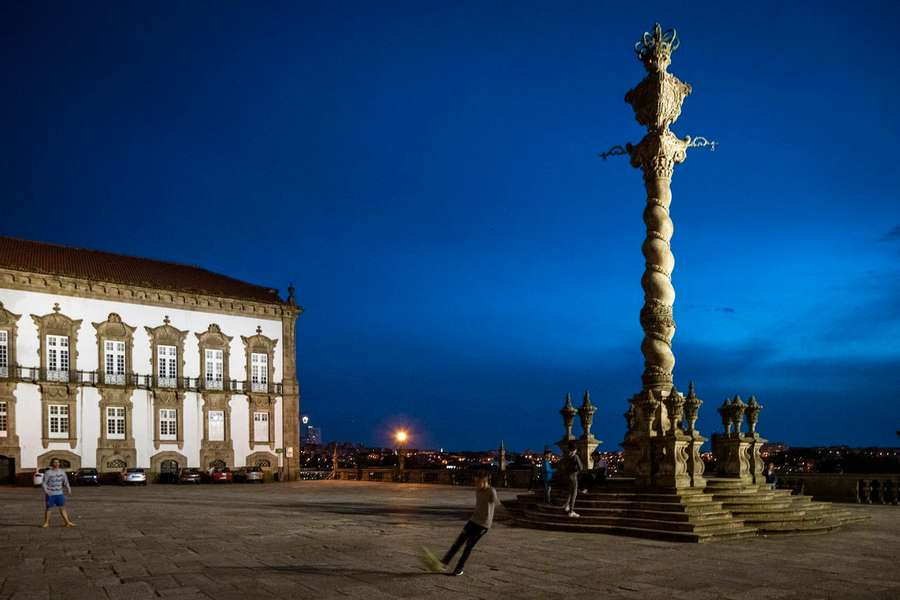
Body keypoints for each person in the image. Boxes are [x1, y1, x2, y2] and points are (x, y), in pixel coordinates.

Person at [437, 471, 498, 576]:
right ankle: (445, 562)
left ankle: (459, 568)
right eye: (475, 482)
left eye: (477, 482)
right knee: (457, 543)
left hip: (483, 524)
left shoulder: (491, 491)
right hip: (473, 520)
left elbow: (497, 505)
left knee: (468, 546)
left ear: (484, 481)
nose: (475, 485)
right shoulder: (477, 490)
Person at [41, 459, 75, 528]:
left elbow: (66, 481)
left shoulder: (62, 472)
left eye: (58, 462)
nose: (56, 464)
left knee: (62, 508)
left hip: (60, 493)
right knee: (49, 508)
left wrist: (68, 488)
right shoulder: (48, 472)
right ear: (52, 463)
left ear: (59, 463)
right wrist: (46, 491)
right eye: (55, 462)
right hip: (51, 494)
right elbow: (44, 483)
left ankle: (67, 522)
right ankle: (46, 523)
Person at [561, 442, 584, 518]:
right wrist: (576, 470)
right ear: (575, 450)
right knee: (574, 494)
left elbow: (563, 466)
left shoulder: (566, 456)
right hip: (573, 477)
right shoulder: (575, 457)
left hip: (567, 477)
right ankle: (571, 511)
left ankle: (566, 505)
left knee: (570, 493)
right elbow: (581, 467)